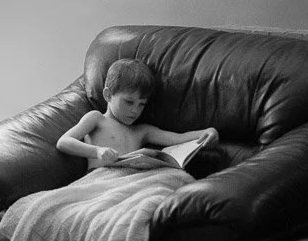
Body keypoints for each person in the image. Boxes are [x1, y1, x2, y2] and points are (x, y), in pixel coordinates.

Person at [56, 58, 217, 170]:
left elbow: (178, 138)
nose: (135, 110)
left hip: (130, 181)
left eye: (142, 104)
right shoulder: (96, 118)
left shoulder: (142, 131)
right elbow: (64, 142)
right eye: (129, 102)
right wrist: (97, 151)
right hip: (100, 178)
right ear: (107, 95)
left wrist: (207, 132)